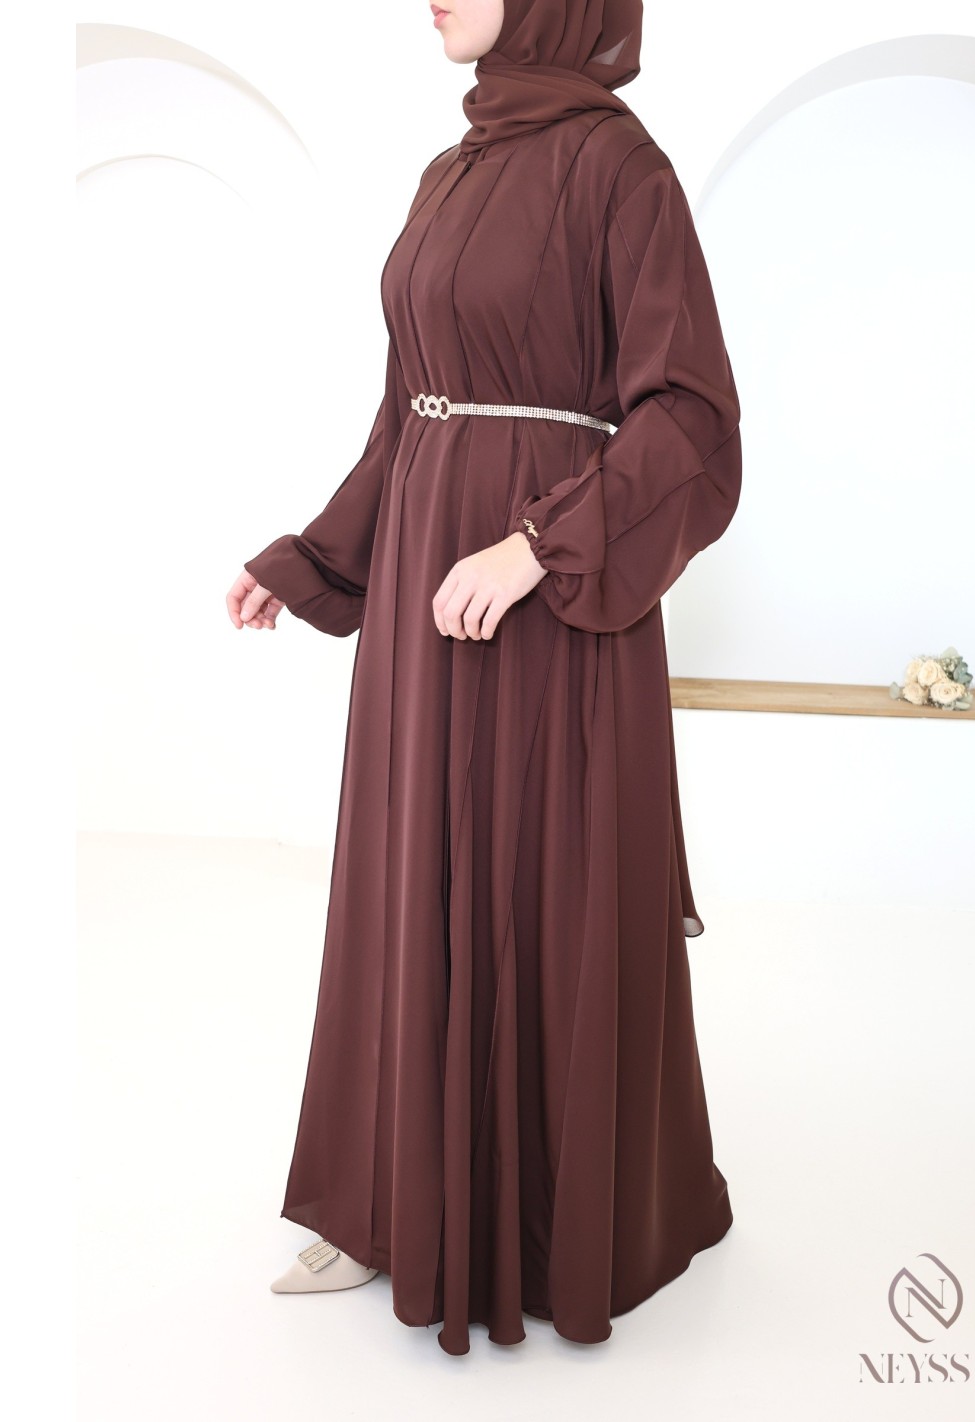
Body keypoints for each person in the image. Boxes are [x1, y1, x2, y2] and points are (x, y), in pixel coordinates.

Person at [226, 0, 743, 1357]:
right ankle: (401, 1201)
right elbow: (410, 410)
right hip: (422, 589)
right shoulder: (446, 173)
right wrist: (313, 557)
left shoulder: (619, 164)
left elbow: (692, 417)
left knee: (533, 882)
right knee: (414, 884)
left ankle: (540, 1226)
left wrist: (536, 547)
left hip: (545, 601)